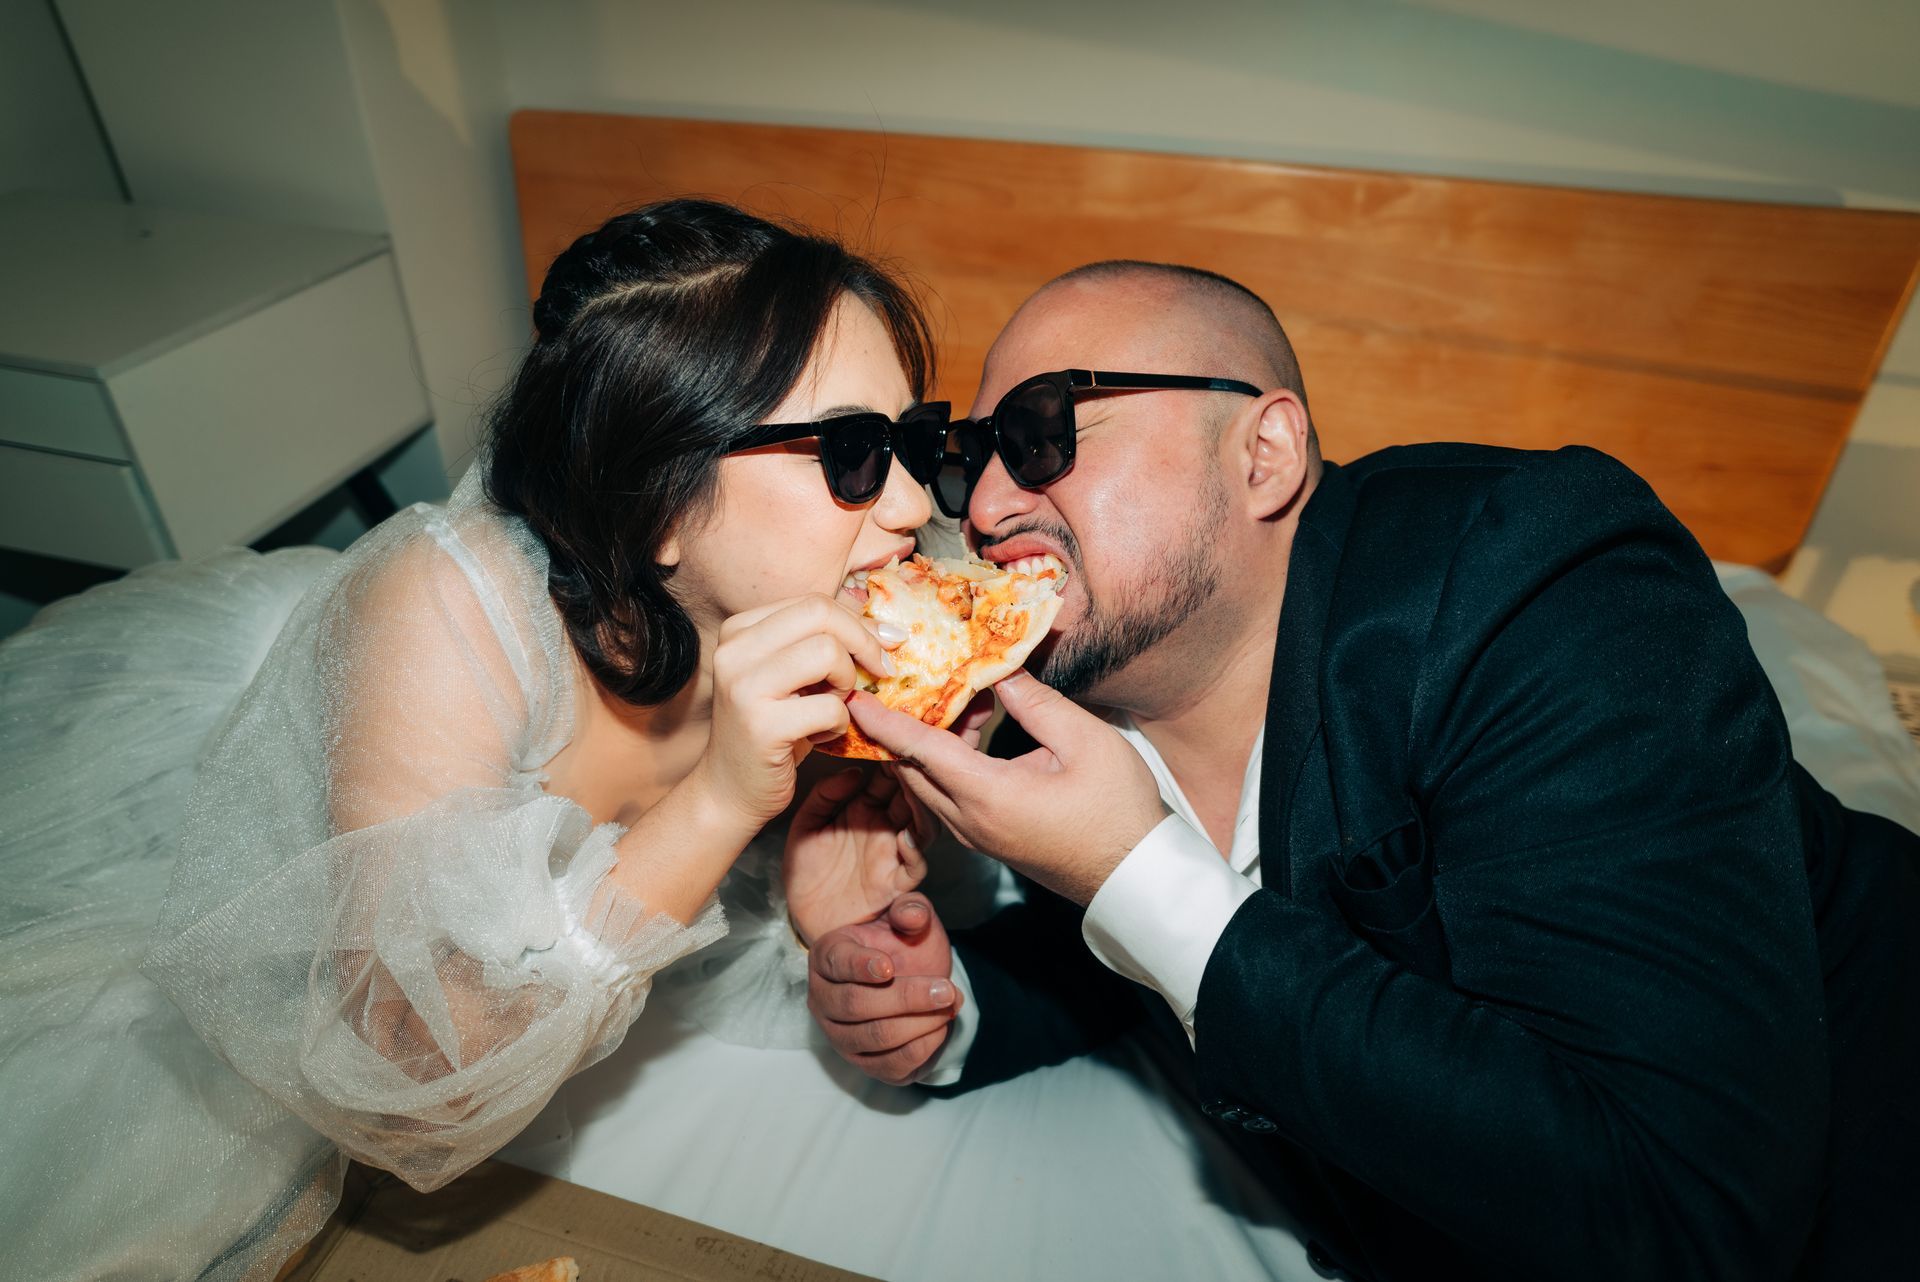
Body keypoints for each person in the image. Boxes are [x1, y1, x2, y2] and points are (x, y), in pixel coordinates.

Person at [801, 260, 1920, 1281]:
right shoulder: (1072, 698)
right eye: (968, 456)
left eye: (1043, 431)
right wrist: (945, 1005)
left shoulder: (1542, 589)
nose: (986, 508)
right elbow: (1138, 949)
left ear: (1266, 453)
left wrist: (1137, 871)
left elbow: (1686, 1220)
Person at [0, 198, 958, 1281]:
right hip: (173, 844)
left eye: (914, 440)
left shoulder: (840, 613)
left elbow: (695, 933)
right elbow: (411, 1076)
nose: (912, 506)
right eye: (852, 453)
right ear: (657, 503)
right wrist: (719, 801)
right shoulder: (446, 608)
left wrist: (807, 896)